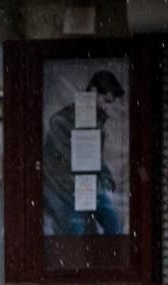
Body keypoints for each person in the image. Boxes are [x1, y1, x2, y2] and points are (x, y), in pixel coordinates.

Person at [42, 70, 125, 236]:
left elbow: (91, 154)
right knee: (75, 232)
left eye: (110, 102)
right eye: (106, 100)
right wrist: (100, 172)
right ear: (93, 91)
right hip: (65, 187)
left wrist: (103, 173)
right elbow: (75, 156)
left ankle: (105, 259)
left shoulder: (96, 118)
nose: (107, 107)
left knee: (113, 224)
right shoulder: (61, 121)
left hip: (87, 185)